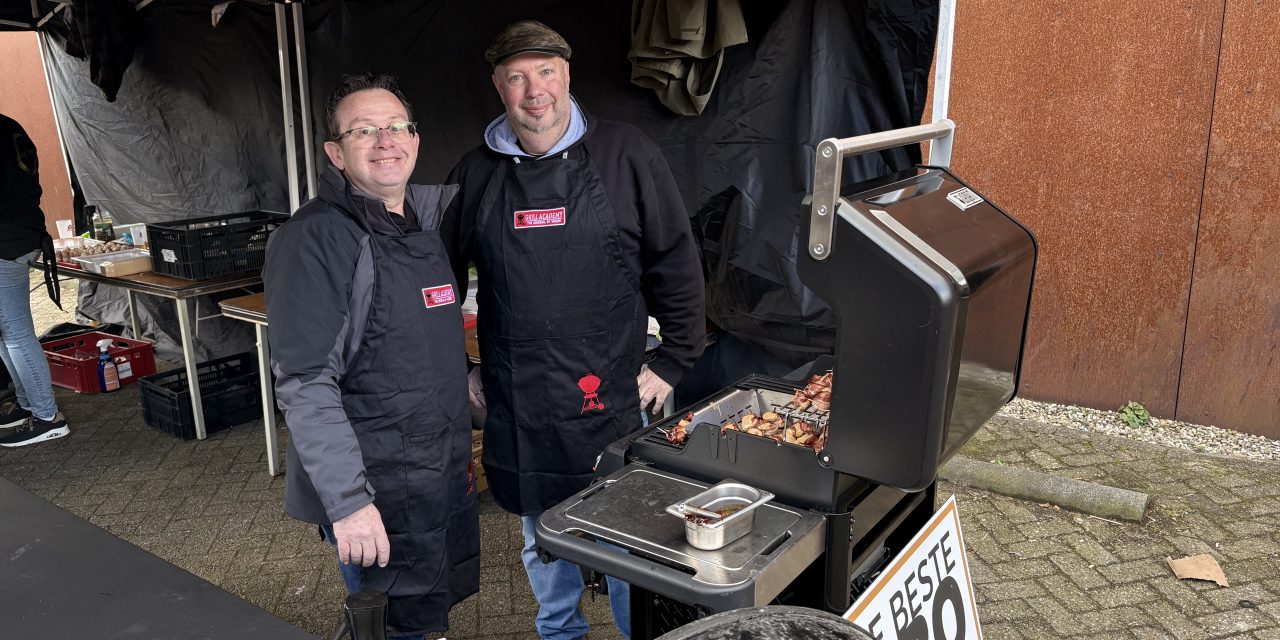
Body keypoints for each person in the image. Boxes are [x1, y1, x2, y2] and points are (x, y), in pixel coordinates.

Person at [444, 21, 706, 640]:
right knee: (542, 537)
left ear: (567, 76)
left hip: (612, 388)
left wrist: (673, 359)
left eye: (546, 73)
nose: (534, 90)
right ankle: (559, 631)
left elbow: (676, 260)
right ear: (498, 88)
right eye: (517, 77)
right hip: (521, 396)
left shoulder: (626, 153)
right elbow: (435, 287)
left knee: (626, 539)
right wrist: (461, 370)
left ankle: (634, 630)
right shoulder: (475, 173)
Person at [263, 73, 479, 639]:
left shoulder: (422, 227)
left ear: (415, 139)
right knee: (389, 623)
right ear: (336, 153)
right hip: (376, 487)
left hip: (435, 471)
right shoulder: (317, 239)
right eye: (364, 131)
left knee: (425, 615)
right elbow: (306, 381)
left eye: (395, 127)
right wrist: (350, 503)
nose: (385, 141)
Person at [0, 113, 68, 448]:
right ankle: (28, 405)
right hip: (24, 235)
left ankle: (47, 417)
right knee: (6, 334)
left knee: (16, 335)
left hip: (7, 243)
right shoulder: (11, 125)